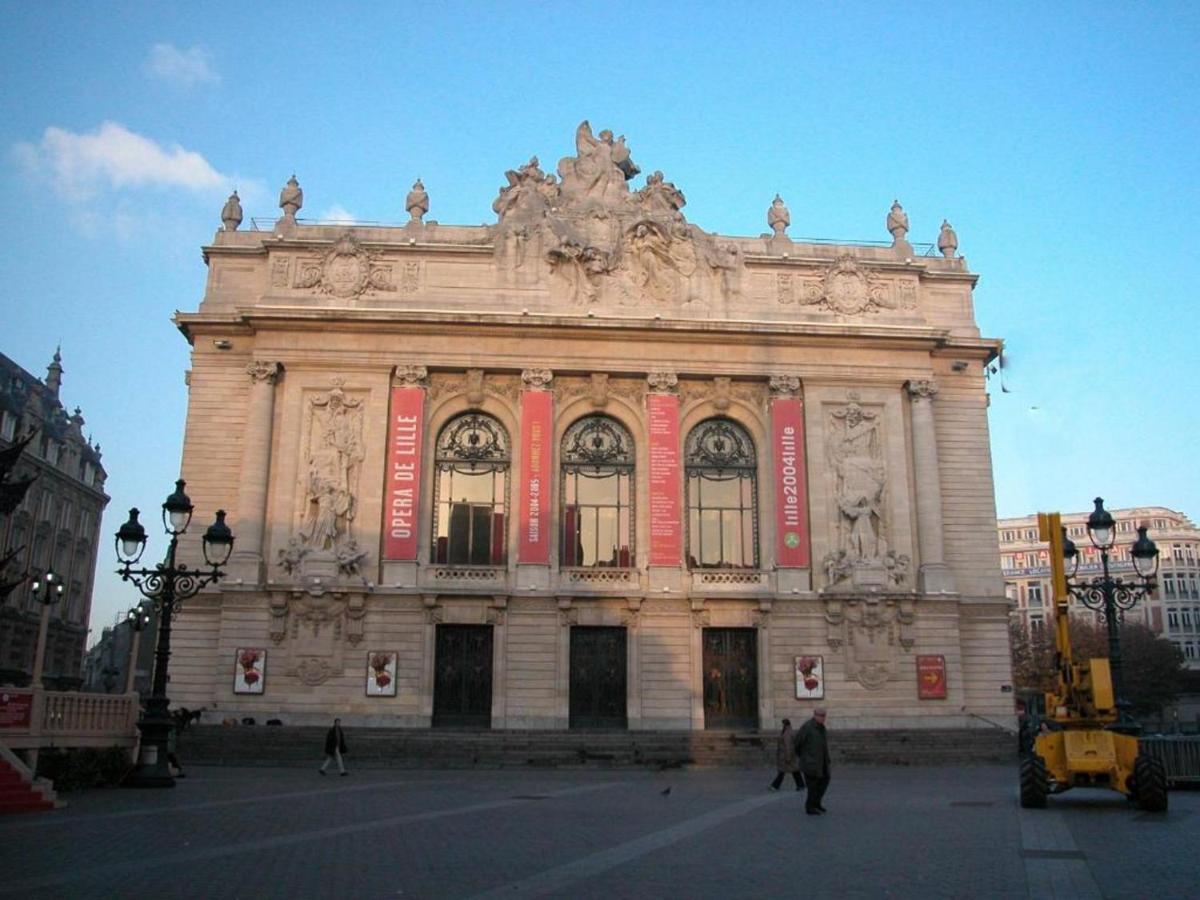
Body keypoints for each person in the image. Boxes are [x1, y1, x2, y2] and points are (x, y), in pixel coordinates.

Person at [795, 707, 831, 814]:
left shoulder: (821, 728)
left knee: (824, 782)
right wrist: (805, 756)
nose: (823, 718)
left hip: (822, 762)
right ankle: (810, 807)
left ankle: (817, 804)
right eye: (820, 715)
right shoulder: (807, 727)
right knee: (812, 786)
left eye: (824, 716)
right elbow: (797, 743)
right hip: (810, 763)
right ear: (815, 715)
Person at [769, 718, 804, 791]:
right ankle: (801, 785)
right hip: (790, 756)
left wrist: (788, 757)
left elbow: (788, 746)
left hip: (786, 756)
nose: (781, 726)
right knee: (794, 771)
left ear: (785, 725)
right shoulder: (790, 732)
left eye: (782, 724)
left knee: (782, 772)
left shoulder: (786, 734)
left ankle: (775, 786)